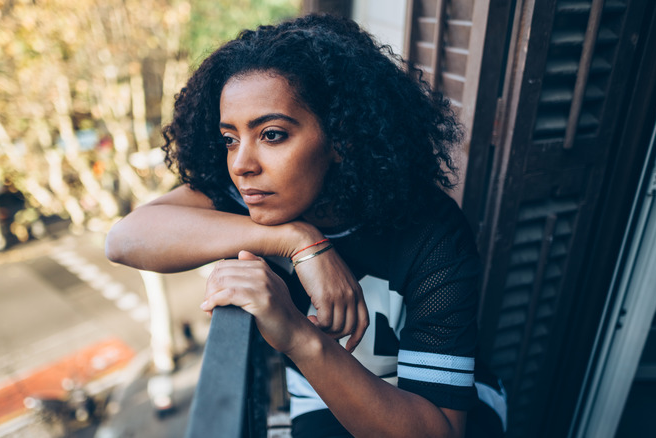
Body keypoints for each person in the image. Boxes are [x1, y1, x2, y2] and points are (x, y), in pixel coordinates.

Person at [106, 13, 506, 438]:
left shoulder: (432, 231)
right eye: (230, 138)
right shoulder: (254, 200)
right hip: (318, 390)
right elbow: (124, 239)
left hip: (433, 403)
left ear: (342, 138)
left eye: (272, 134)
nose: (242, 164)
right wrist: (295, 239)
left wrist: (299, 337)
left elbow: (438, 431)